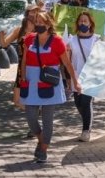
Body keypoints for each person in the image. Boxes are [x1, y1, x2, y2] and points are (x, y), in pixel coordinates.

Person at [19, 11, 80, 163]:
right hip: (31, 81)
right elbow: (24, 60)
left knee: (48, 119)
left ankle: (43, 149)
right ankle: (41, 139)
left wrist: (75, 81)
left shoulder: (57, 41)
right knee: (30, 117)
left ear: (48, 24)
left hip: (49, 82)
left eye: (42, 22)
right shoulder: (29, 39)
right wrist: (22, 76)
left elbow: (67, 63)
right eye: (37, 22)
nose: (39, 24)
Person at [0, 5, 40, 110]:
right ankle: (23, 105)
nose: (34, 14)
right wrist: (1, 36)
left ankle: (35, 105)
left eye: (36, 12)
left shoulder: (39, 29)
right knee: (19, 87)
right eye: (32, 11)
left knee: (36, 83)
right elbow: (4, 44)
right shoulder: (19, 30)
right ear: (27, 13)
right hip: (23, 63)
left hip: (36, 62)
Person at [67, 12, 99, 142]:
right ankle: (88, 118)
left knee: (86, 102)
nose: (83, 23)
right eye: (81, 21)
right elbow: (68, 61)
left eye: (85, 21)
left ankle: (86, 130)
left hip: (90, 77)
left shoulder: (96, 39)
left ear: (90, 23)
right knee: (78, 103)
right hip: (76, 76)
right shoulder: (71, 40)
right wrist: (68, 79)